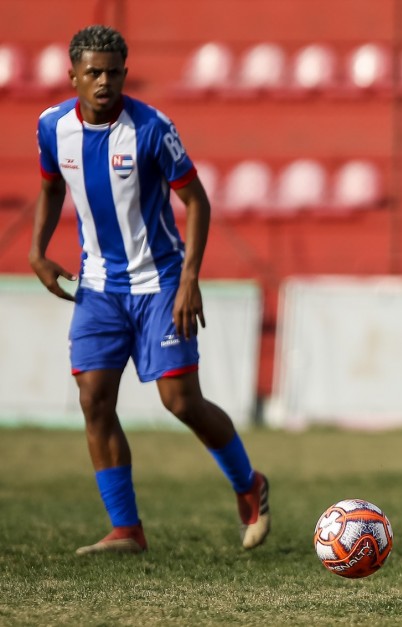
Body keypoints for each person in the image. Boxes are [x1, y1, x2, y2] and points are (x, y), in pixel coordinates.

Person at [29, 25, 270, 555]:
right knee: (94, 399)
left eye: (114, 72)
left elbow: (198, 202)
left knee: (179, 400)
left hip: (160, 282)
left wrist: (189, 280)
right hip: (98, 286)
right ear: (73, 75)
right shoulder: (52, 128)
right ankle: (126, 529)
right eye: (93, 72)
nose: (104, 82)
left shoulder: (151, 129)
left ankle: (249, 486)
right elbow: (50, 188)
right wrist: (37, 251)